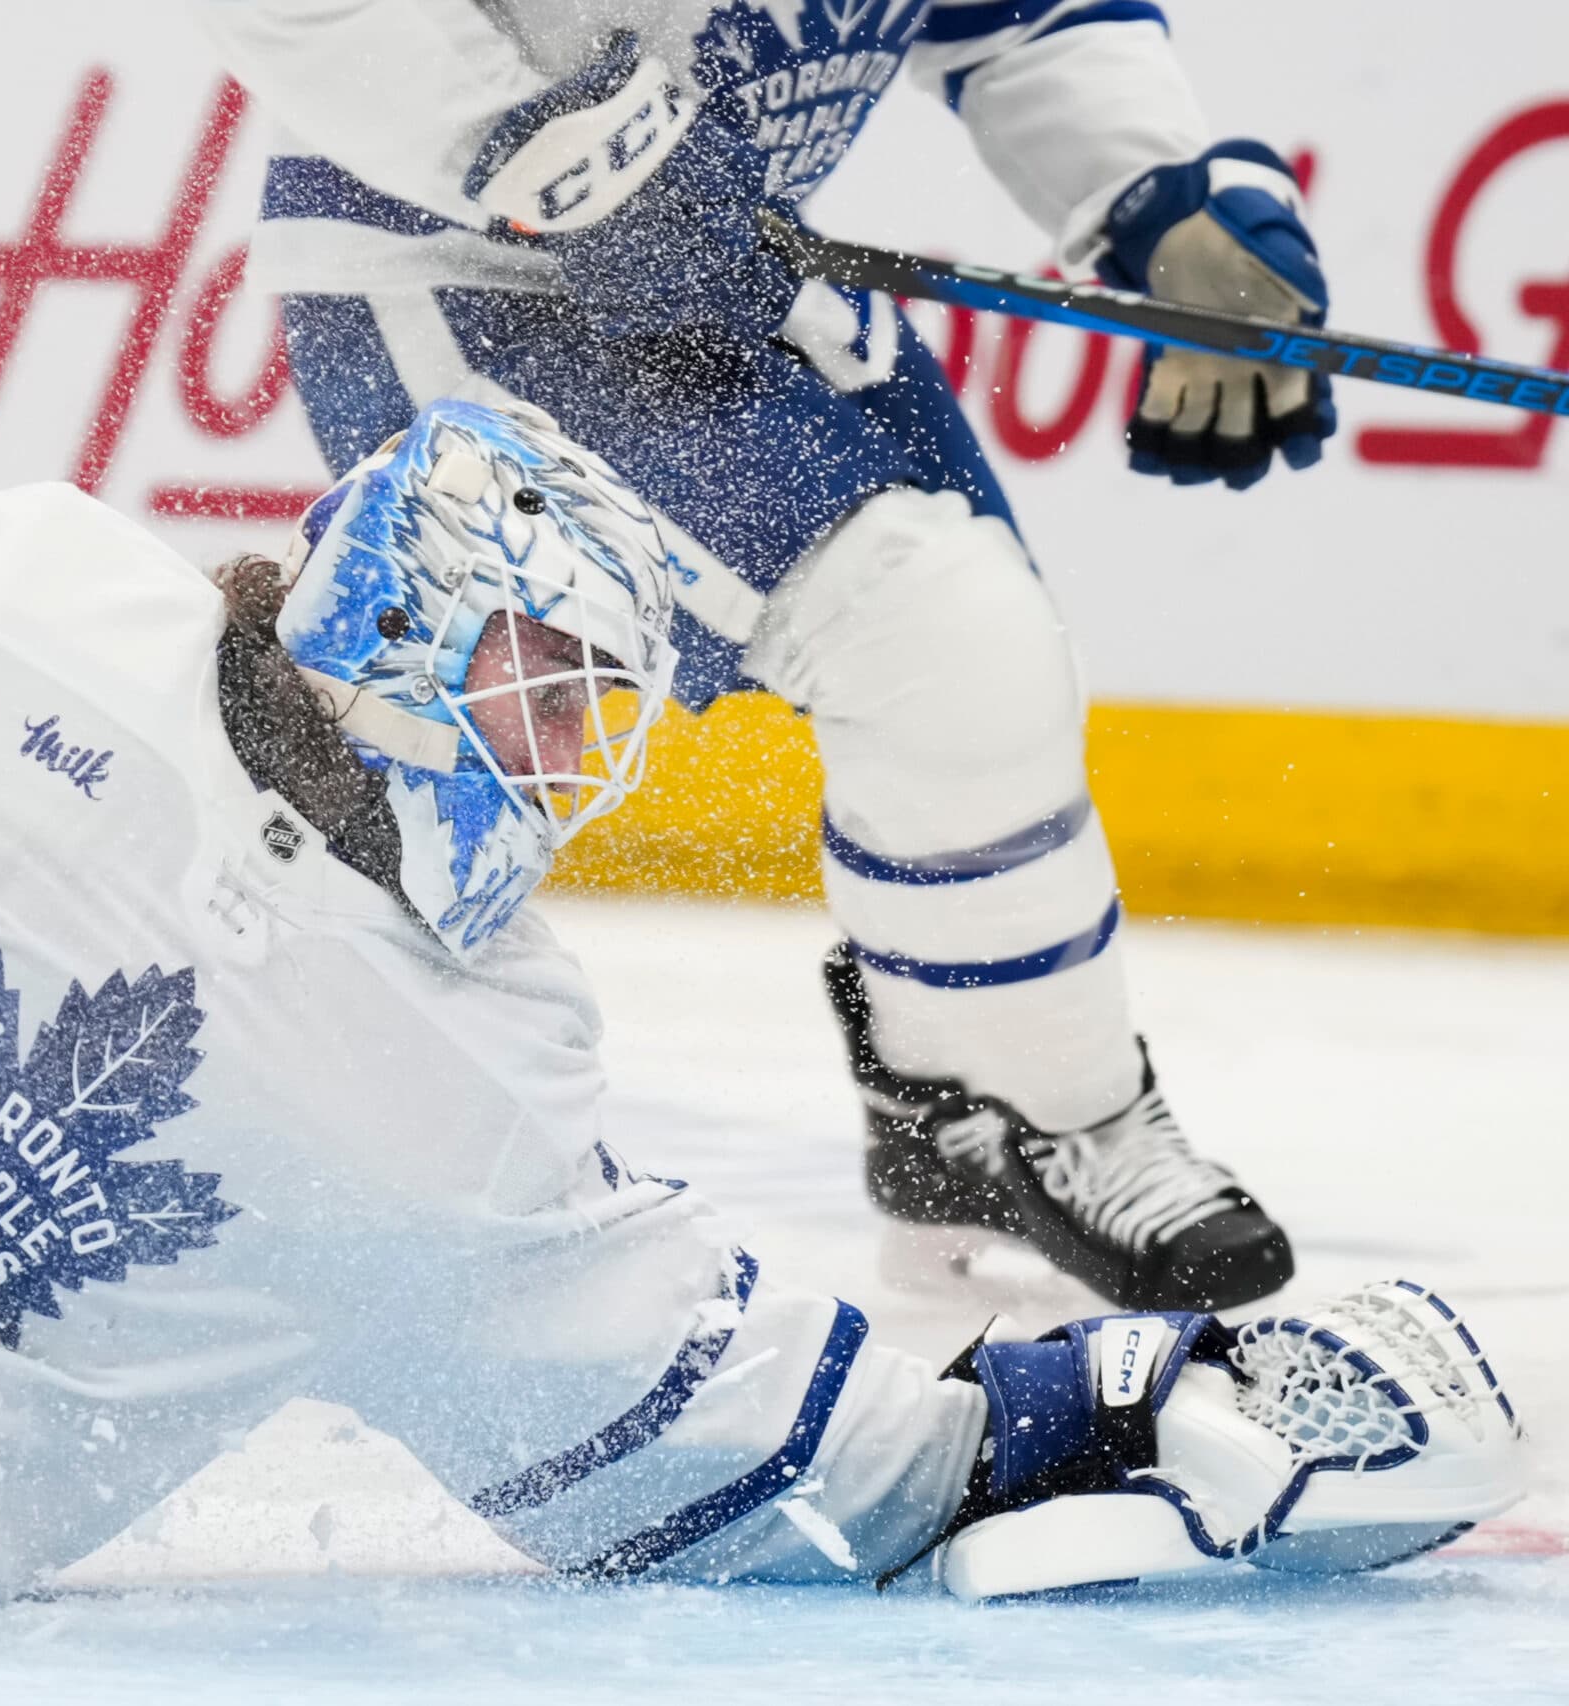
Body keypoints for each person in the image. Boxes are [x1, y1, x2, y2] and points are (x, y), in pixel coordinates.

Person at [0, 419, 1518, 1626]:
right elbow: (768, 1472)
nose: (549, 759)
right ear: (383, 608)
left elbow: (775, 1449)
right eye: (528, 685)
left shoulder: (444, 1055)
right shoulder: (65, 660)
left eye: (586, 719)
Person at [194, 0, 1332, 1312]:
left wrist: (1159, 196)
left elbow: (1019, 20)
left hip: (730, 270)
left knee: (978, 655)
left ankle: (963, 1097)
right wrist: (567, 151)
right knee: (935, 634)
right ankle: (1037, 1109)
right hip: (461, 273)